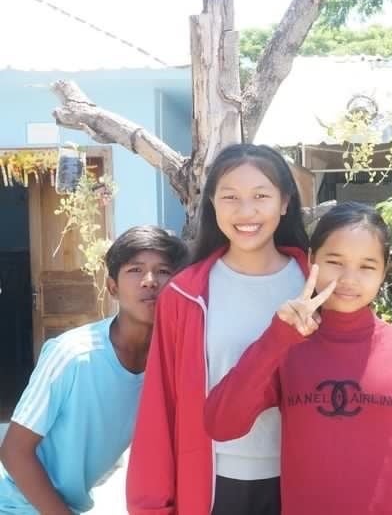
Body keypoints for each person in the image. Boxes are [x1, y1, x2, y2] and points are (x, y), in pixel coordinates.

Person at [205, 201, 392, 515]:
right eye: (335, 262)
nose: (349, 278)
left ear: (385, 269)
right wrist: (275, 340)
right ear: (312, 260)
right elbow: (221, 423)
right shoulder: (287, 346)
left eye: (367, 266)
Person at [126, 144, 310, 515]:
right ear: (211, 203)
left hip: (306, 479)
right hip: (213, 486)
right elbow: (161, 406)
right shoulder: (185, 295)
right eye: (230, 197)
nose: (246, 211)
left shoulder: (315, 284)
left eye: (261, 196)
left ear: (285, 202)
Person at [0, 226, 187, 514]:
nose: (150, 281)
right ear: (112, 288)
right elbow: (14, 451)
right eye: (135, 270)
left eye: (163, 271)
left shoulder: (171, 365)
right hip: (16, 504)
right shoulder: (74, 354)